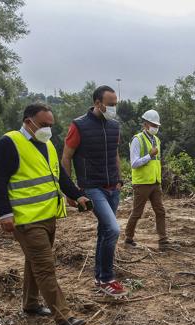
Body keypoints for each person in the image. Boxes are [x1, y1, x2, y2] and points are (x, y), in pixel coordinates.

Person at [0, 102, 90, 325]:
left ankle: (31, 304)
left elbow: (60, 177)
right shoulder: (10, 143)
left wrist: (78, 196)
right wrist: (4, 214)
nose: (48, 129)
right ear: (28, 122)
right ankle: (64, 318)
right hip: (26, 221)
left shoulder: (47, 144)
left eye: (51, 125)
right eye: (44, 124)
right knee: (45, 268)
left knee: (33, 262)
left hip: (48, 217)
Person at [61, 85, 128, 298]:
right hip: (92, 187)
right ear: (98, 103)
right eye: (110, 105)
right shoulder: (79, 126)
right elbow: (66, 157)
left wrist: (119, 179)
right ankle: (108, 278)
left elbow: (114, 153)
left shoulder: (114, 126)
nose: (113, 108)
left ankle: (99, 277)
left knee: (104, 231)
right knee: (113, 230)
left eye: (115, 105)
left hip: (113, 188)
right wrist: (71, 191)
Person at [124, 110, 177, 250]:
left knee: (160, 211)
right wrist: (149, 155)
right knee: (137, 212)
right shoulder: (137, 139)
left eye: (157, 125)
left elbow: (156, 162)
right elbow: (134, 163)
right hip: (142, 183)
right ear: (145, 124)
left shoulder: (157, 140)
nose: (156, 127)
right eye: (153, 124)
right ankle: (128, 239)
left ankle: (163, 240)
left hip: (155, 182)